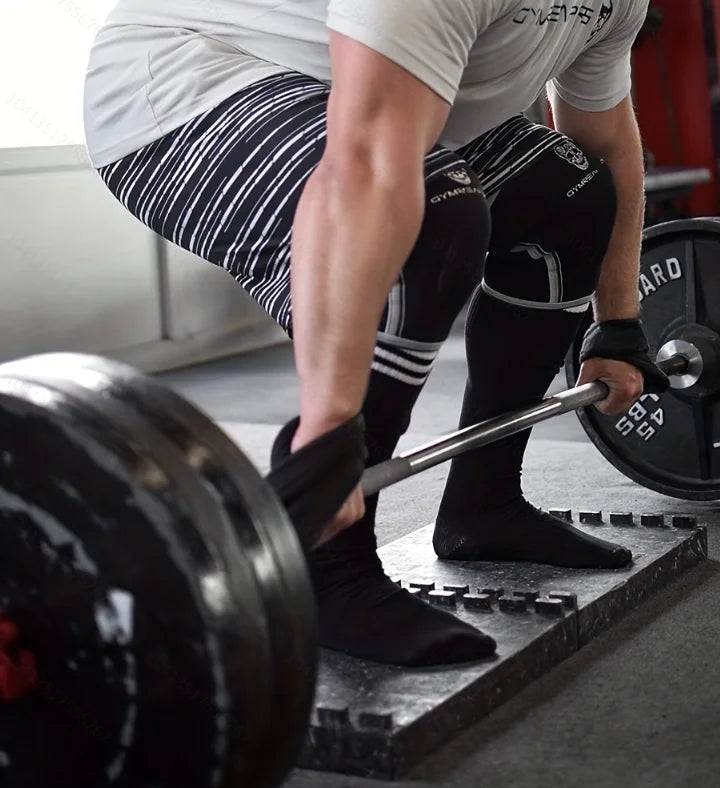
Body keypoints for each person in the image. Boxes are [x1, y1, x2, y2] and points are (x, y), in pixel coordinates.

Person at [84, 0, 668, 668]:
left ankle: (484, 503)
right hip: (185, 87)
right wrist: (330, 426)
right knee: (432, 215)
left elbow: (607, 143)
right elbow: (362, 165)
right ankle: (325, 565)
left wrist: (617, 324)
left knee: (571, 192)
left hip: (382, 90)